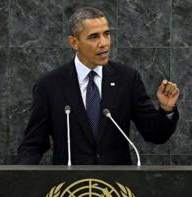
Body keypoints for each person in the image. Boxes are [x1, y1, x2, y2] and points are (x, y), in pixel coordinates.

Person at [16, 7, 180, 165]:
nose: (103, 43)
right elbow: (33, 144)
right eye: (94, 37)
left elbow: (155, 134)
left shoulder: (127, 79)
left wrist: (166, 110)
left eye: (106, 34)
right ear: (74, 42)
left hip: (116, 187)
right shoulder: (50, 85)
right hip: (71, 187)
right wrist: (19, 179)